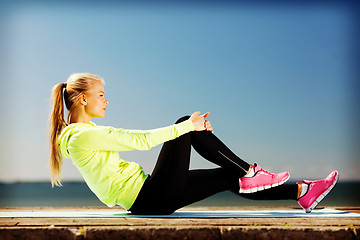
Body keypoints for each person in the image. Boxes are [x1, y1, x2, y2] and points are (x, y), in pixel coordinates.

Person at [49, 73, 338, 215]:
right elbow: (140, 140)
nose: (106, 100)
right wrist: (190, 127)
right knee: (184, 122)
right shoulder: (81, 136)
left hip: (151, 196)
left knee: (227, 177)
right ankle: (250, 171)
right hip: (148, 197)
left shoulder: (86, 131)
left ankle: (303, 192)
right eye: (101, 95)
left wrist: (195, 131)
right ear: (83, 99)